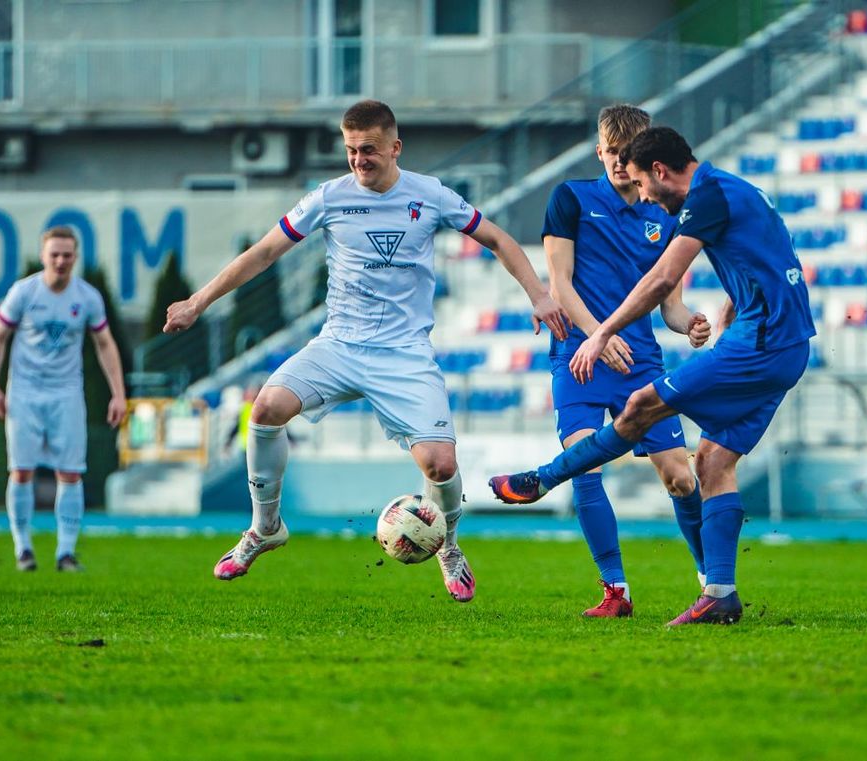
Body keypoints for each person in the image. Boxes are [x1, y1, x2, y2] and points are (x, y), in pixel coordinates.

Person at [163, 100, 569, 602]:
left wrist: (540, 294)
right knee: (265, 410)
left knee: (440, 466)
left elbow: (499, 239)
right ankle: (265, 527)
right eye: (352, 150)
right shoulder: (329, 198)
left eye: (369, 150)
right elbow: (266, 251)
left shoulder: (431, 195)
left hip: (404, 353)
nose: (359, 160)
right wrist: (199, 301)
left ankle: (449, 545)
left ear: (395, 148)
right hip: (339, 344)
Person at [490, 127, 815, 626]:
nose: (640, 194)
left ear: (660, 172)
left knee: (644, 407)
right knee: (711, 462)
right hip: (780, 341)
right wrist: (736, 304)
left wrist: (601, 334)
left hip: (759, 342)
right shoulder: (732, 188)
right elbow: (768, 253)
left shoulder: (705, 196)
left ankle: (543, 480)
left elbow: (664, 280)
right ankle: (720, 594)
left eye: (642, 182)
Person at [540, 105, 710, 618]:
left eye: (627, 153)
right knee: (584, 469)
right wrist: (598, 336)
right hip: (579, 358)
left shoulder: (665, 211)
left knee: (681, 478)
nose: (618, 162)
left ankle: (712, 582)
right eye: (610, 152)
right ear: (599, 151)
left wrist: (690, 324)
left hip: (639, 362)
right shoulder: (569, 199)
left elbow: (670, 304)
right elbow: (560, 285)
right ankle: (616, 591)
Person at [0, 226, 128, 572]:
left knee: (71, 473)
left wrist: (118, 394)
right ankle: (23, 549)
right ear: (44, 255)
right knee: (20, 471)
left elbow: (105, 344)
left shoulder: (87, 297)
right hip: (25, 392)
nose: (61, 261)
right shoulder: (24, 292)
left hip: (66, 393)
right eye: (54, 254)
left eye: (67, 255)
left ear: (75, 257)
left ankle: (65, 552)